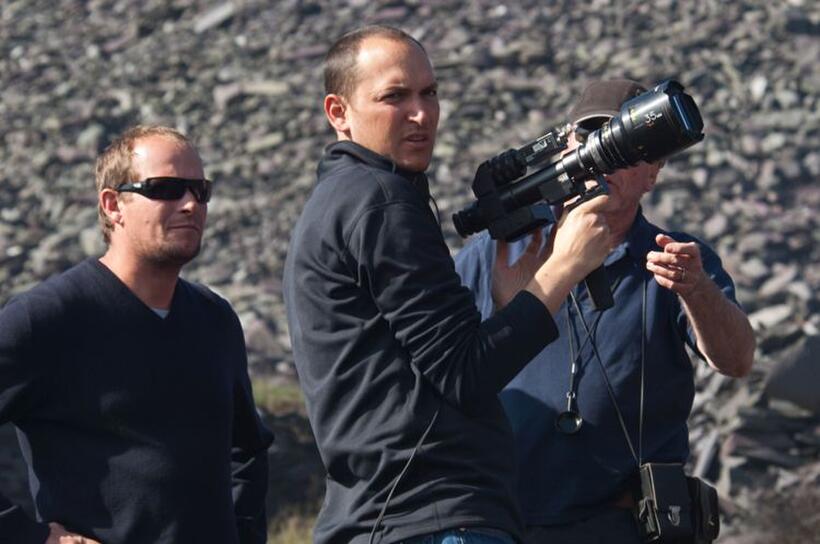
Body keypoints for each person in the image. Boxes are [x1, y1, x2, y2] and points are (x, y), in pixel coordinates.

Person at [283, 25, 613, 544]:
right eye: (394, 96)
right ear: (338, 112)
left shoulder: (340, 202)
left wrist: (510, 303)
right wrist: (563, 268)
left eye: (429, 93)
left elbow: (426, 373)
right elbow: (467, 375)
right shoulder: (382, 202)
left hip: (389, 517)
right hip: (432, 518)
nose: (421, 114)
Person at [456, 79, 756, 543]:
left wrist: (696, 290)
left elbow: (736, 361)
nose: (605, 159)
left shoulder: (671, 259)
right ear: (564, 150)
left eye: (626, 146)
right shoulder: (499, 253)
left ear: (653, 172)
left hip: (623, 525)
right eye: (591, 137)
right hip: (503, 520)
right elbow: (441, 366)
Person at [0, 126, 273, 544]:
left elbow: (247, 450)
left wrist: (244, 533)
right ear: (113, 205)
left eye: (200, 190)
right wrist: (27, 536)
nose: (189, 204)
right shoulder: (46, 320)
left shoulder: (215, 319)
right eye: (165, 188)